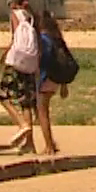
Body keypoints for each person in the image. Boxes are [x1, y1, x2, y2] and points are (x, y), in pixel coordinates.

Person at [0, 0, 40, 152]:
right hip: (30, 62)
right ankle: (30, 143)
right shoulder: (32, 17)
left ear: (14, 3)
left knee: (2, 93)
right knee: (25, 100)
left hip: (16, 60)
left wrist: (3, 55)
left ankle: (22, 124)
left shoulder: (15, 15)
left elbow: (15, 38)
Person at [34, 10, 68, 157]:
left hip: (45, 78)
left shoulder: (43, 40)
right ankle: (51, 143)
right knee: (43, 111)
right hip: (56, 79)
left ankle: (49, 146)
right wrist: (64, 84)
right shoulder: (57, 39)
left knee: (42, 112)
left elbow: (41, 60)